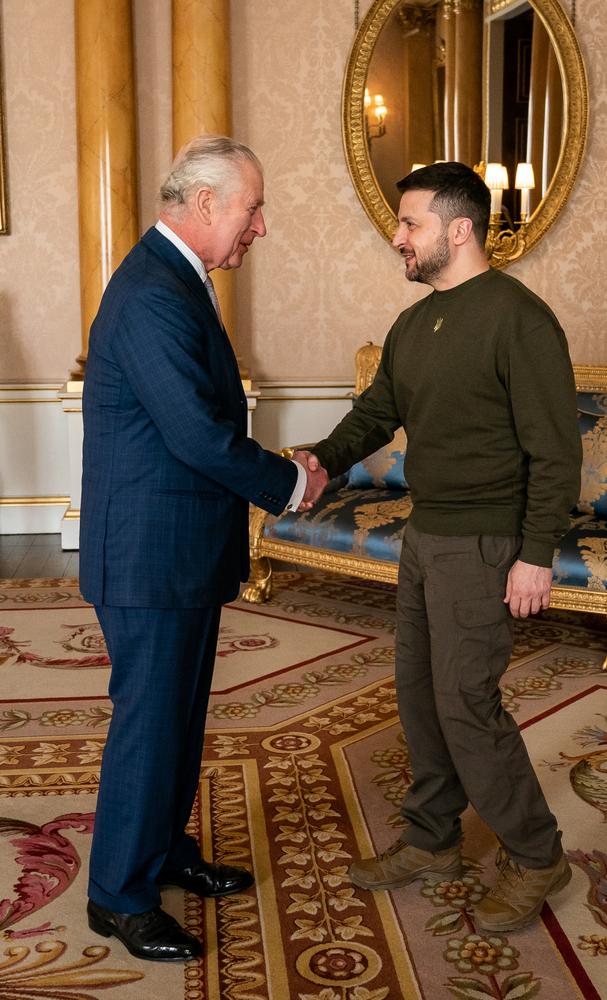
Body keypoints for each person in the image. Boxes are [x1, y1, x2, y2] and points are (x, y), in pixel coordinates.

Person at [298, 161, 581, 932]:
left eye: (410, 223)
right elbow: (375, 412)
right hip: (426, 536)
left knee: (465, 703)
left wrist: (535, 553)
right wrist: (320, 458)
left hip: (487, 542)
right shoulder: (415, 323)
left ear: (459, 230)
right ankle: (432, 838)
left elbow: (556, 452)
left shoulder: (519, 319)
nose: (398, 237)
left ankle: (536, 855)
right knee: (421, 697)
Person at [80, 134, 326, 962]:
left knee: (179, 721)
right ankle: (118, 895)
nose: (260, 225)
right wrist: (287, 483)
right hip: (150, 557)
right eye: (253, 208)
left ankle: (162, 850)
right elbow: (196, 432)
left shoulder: (176, 278)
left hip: (176, 548)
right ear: (207, 203)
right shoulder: (153, 290)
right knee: (150, 726)